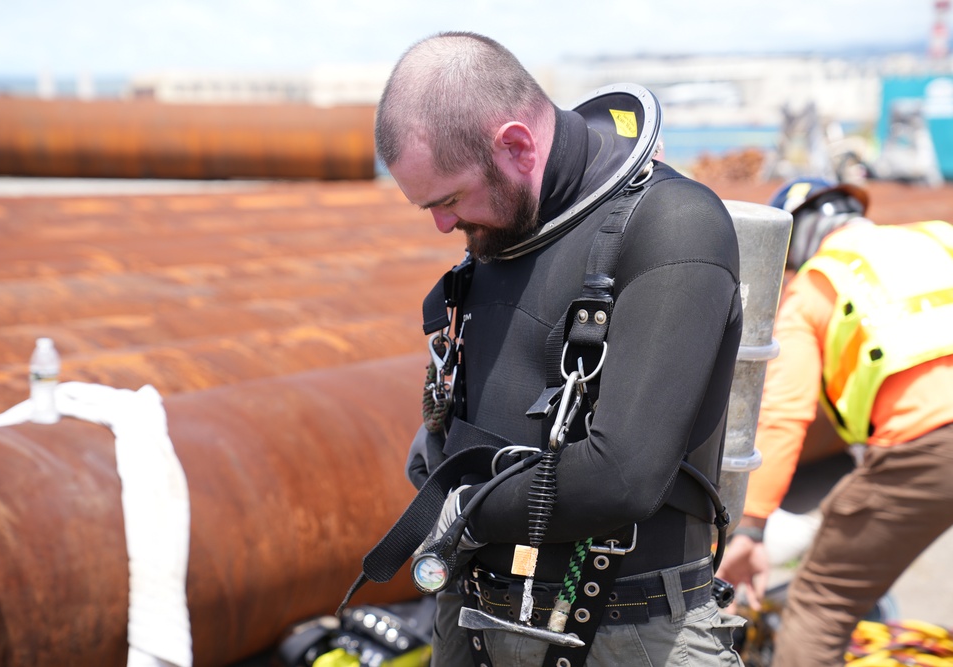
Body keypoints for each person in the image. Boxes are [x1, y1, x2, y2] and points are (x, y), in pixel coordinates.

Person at [374, 31, 746, 666]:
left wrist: (462, 507)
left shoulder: (673, 225)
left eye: (449, 200)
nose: (442, 225)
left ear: (516, 145)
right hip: (472, 618)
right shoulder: (507, 227)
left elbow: (621, 477)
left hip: (633, 634)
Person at [715, 177, 953, 666]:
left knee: (821, 606)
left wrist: (751, 528)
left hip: (928, 444)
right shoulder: (938, 237)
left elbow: (784, 415)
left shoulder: (818, 284)